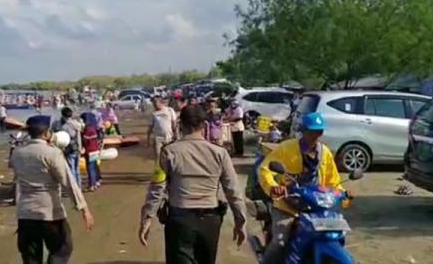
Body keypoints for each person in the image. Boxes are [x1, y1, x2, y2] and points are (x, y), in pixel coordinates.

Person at [139, 105, 247, 264]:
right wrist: (240, 221)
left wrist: (147, 218)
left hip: (180, 220)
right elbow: (233, 192)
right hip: (211, 220)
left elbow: (157, 188)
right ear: (204, 125)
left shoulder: (168, 152)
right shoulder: (220, 153)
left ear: (180, 125)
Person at [258, 112, 350, 264]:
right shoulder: (286, 148)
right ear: (303, 130)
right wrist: (274, 187)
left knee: (337, 234)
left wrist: (342, 193)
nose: (316, 135)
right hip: (288, 206)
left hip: (317, 208)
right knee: (280, 241)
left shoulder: (324, 152)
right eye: (312, 131)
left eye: (319, 131)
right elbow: (265, 169)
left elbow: (333, 180)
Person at [10, 115, 94, 264]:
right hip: (49, 213)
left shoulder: (17, 153)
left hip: (25, 213)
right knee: (62, 249)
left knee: (31, 258)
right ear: (47, 132)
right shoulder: (52, 153)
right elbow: (68, 181)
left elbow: (17, 175)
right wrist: (83, 208)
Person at [52, 107, 84, 187]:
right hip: (76, 147)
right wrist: (80, 148)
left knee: (71, 168)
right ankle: (78, 185)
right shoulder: (76, 124)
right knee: (76, 169)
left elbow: (54, 134)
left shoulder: (58, 124)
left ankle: (73, 186)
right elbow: (78, 136)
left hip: (67, 148)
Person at [80, 113, 102, 192]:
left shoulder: (87, 130)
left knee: (90, 168)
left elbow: (85, 141)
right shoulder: (94, 129)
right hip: (95, 150)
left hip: (89, 151)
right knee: (95, 166)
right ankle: (97, 181)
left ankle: (91, 185)